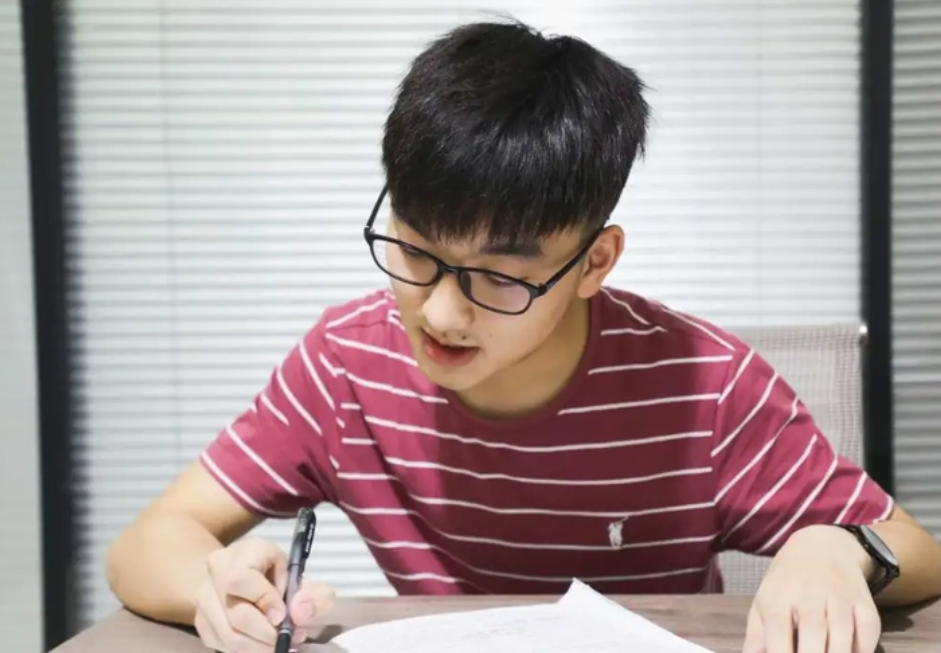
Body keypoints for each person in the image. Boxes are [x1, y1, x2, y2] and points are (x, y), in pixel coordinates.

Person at [106, 19, 941, 653]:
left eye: (500, 276)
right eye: (415, 252)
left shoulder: (706, 385)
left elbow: (917, 553)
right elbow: (147, 544)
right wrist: (215, 584)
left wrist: (836, 548)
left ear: (592, 262)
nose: (440, 313)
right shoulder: (343, 365)